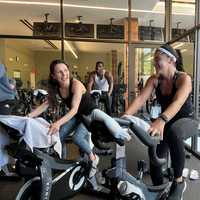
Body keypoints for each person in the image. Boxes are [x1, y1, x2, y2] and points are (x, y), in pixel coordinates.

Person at [27, 59, 130, 178]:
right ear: (53, 76)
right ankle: (60, 163)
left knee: (77, 137)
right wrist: (28, 116)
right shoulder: (57, 88)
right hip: (77, 116)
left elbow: (74, 109)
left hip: (88, 116)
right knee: (59, 136)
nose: (64, 74)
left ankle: (93, 157)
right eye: (60, 72)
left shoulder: (75, 84)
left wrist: (58, 123)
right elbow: (45, 105)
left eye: (65, 70)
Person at [123, 44, 198, 200]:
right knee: (155, 157)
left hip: (187, 121)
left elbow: (177, 102)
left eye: (158, 59)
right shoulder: (155, 80)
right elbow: (140, 99)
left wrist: (161, 119)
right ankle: (159, 189)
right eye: (154, 60)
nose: (154, 63)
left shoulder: (184, 78)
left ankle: (179, 182)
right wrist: (124, 118)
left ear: (171, 60)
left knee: (175, 132)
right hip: (167, 123)